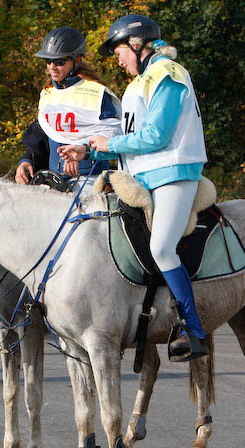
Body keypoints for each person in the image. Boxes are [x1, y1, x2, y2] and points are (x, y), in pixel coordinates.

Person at [58, 14, 208, 361]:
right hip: (143, 176)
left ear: (137, 45)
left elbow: (157, 135)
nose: (118, 58)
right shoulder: (137, 84)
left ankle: (192, 328)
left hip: (173, 173)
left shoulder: (168, 75)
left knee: (162, 248)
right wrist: (89, 148)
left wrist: (108, 147)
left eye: (120, 51)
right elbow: (127, 137)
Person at [15, 27, 121, 186]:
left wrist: (83, 150)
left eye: (59, 61)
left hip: (89, 179)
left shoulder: (97, 93)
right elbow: (43, 134)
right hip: (52, 180)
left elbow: (113, 134)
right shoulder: (48, 94)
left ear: (77, 60)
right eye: (48, 61)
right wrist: (26, 160)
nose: (52, 67)